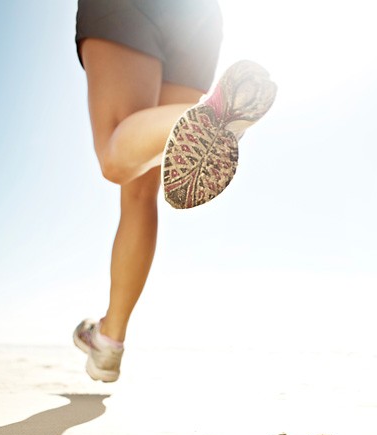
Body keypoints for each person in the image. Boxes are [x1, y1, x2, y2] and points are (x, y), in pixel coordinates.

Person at [72, 0, 276, 382]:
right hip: (197, 16)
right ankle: (108, 341)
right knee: (141, 186)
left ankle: (110, 339)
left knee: (118, 162)